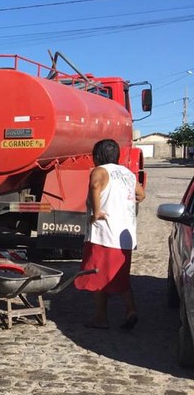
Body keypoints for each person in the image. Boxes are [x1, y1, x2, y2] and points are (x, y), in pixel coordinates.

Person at [74, 138, 145, 329]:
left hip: (104, 234)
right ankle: (131, 310)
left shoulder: (100, 171)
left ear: (97, 156)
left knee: (97, 276)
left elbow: (95, 186)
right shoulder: (128, 174)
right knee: (120, 276)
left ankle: (101, 317)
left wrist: (97, 212)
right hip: (125, 234)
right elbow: (141, 194)